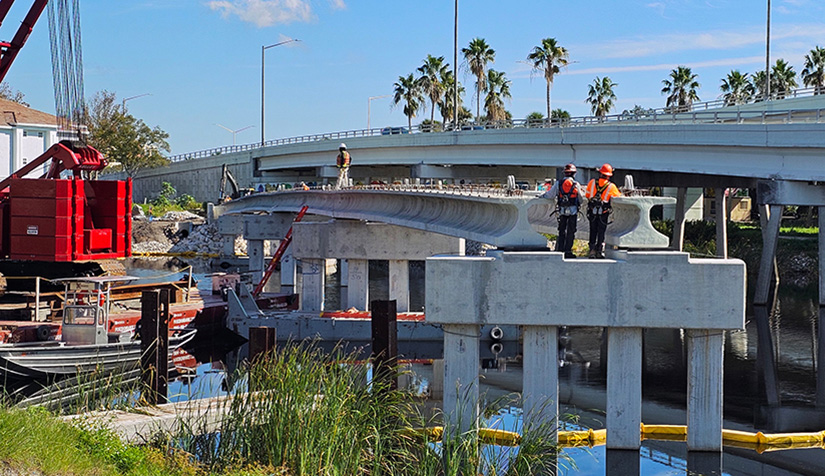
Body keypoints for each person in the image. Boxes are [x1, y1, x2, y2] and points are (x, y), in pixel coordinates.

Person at [541, 163, 584, 258]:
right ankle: (568, 251)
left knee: (561, 231)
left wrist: (541, 196)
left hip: (562, 211)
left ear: (565, 173)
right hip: (573, 212)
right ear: (574, 174)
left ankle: (560, 250)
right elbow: (581, 199)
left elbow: (550, 195)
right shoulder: (576, 184)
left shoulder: (559, 183)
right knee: (571, 231)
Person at [585, 163, 621, 259]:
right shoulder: (611, 187)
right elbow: (619, 197)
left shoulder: (592, 182)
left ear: (600, 173)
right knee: (601, 232)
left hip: (592, 211)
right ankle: (599, 251)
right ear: (609, 175)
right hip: (603, 213)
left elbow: (587, 195)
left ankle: (592, 251)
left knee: (593, 231)